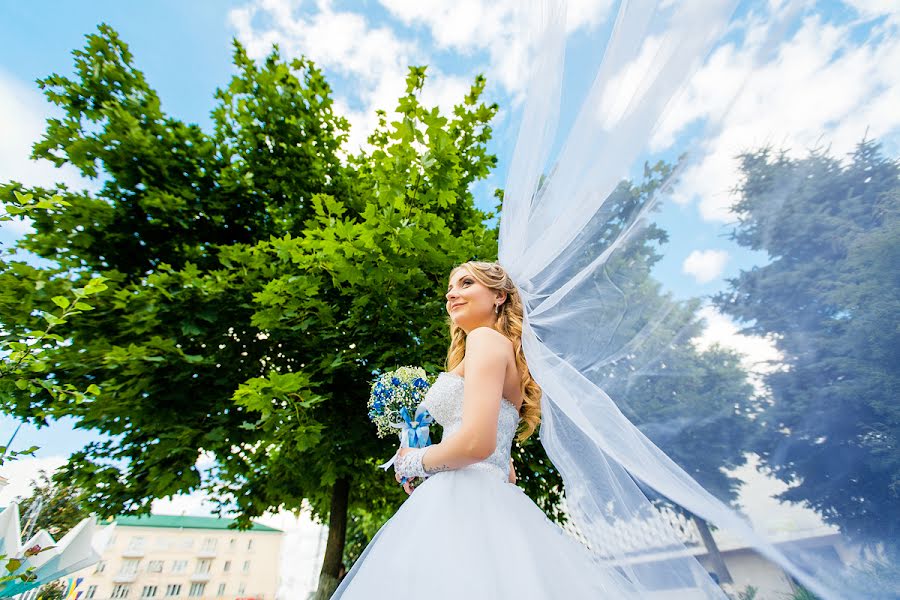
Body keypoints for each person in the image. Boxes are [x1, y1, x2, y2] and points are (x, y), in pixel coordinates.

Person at [330, 261, 649, 599]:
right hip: (485, 493)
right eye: (450, 288)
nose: (452, 293)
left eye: (466, 283)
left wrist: (412, 461)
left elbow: (478, 443)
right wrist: (433, 461)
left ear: (499, 296)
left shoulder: (485, 340)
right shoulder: (495, 349)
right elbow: (505, 467)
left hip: (463, 500)